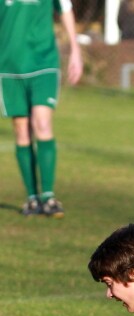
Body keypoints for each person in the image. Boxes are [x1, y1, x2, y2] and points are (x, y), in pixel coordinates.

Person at [0, 0, 82, 218]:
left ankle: (48, 197)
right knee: (21, 129)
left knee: (42, 123)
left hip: (44, 62)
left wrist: (75, 50)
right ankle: (31, 198)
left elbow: (65, 9)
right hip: (9, 66)